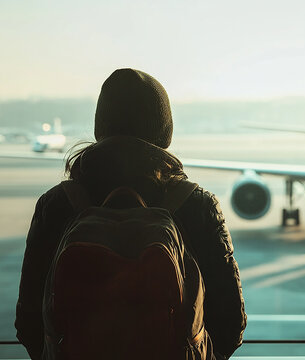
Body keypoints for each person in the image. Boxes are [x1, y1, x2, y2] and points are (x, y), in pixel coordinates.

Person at [15, 68, 247, 360]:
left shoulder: (57, 205)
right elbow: (230, 323)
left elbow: (28, 322)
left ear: (102, 127)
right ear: (164, 132)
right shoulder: (197, 206)